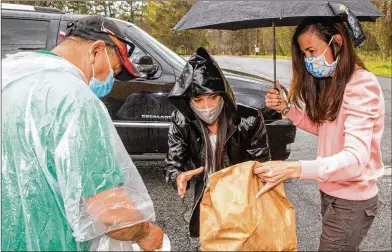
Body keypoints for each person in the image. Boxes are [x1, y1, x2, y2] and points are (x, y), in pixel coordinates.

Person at [2, 15, 163, 251]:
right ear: (96, 50)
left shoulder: (11, 81)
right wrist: (145, 232)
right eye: (113, 70)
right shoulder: (75, 99)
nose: (110, 80)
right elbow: (109, 212)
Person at [255, 17, 385, 251]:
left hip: (351, 199)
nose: (308, 60)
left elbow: (356, 160)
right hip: (332, 192)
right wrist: (286, 109)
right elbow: (325, 129)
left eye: (312, 51)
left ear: (337, 42)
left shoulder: (361, 85)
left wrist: (293, 168)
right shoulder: (336, 82)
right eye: (305, 54)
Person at [165, 47, 271, 238]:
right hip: (207, 198)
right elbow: (173, 164)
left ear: (223, 94)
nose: (207, 108)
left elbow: (262, 165)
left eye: (213, 97)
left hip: (242, 196)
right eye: (198, 100)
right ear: (188, 101)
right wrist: (178, 178)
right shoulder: (181, 121)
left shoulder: (249, 119)